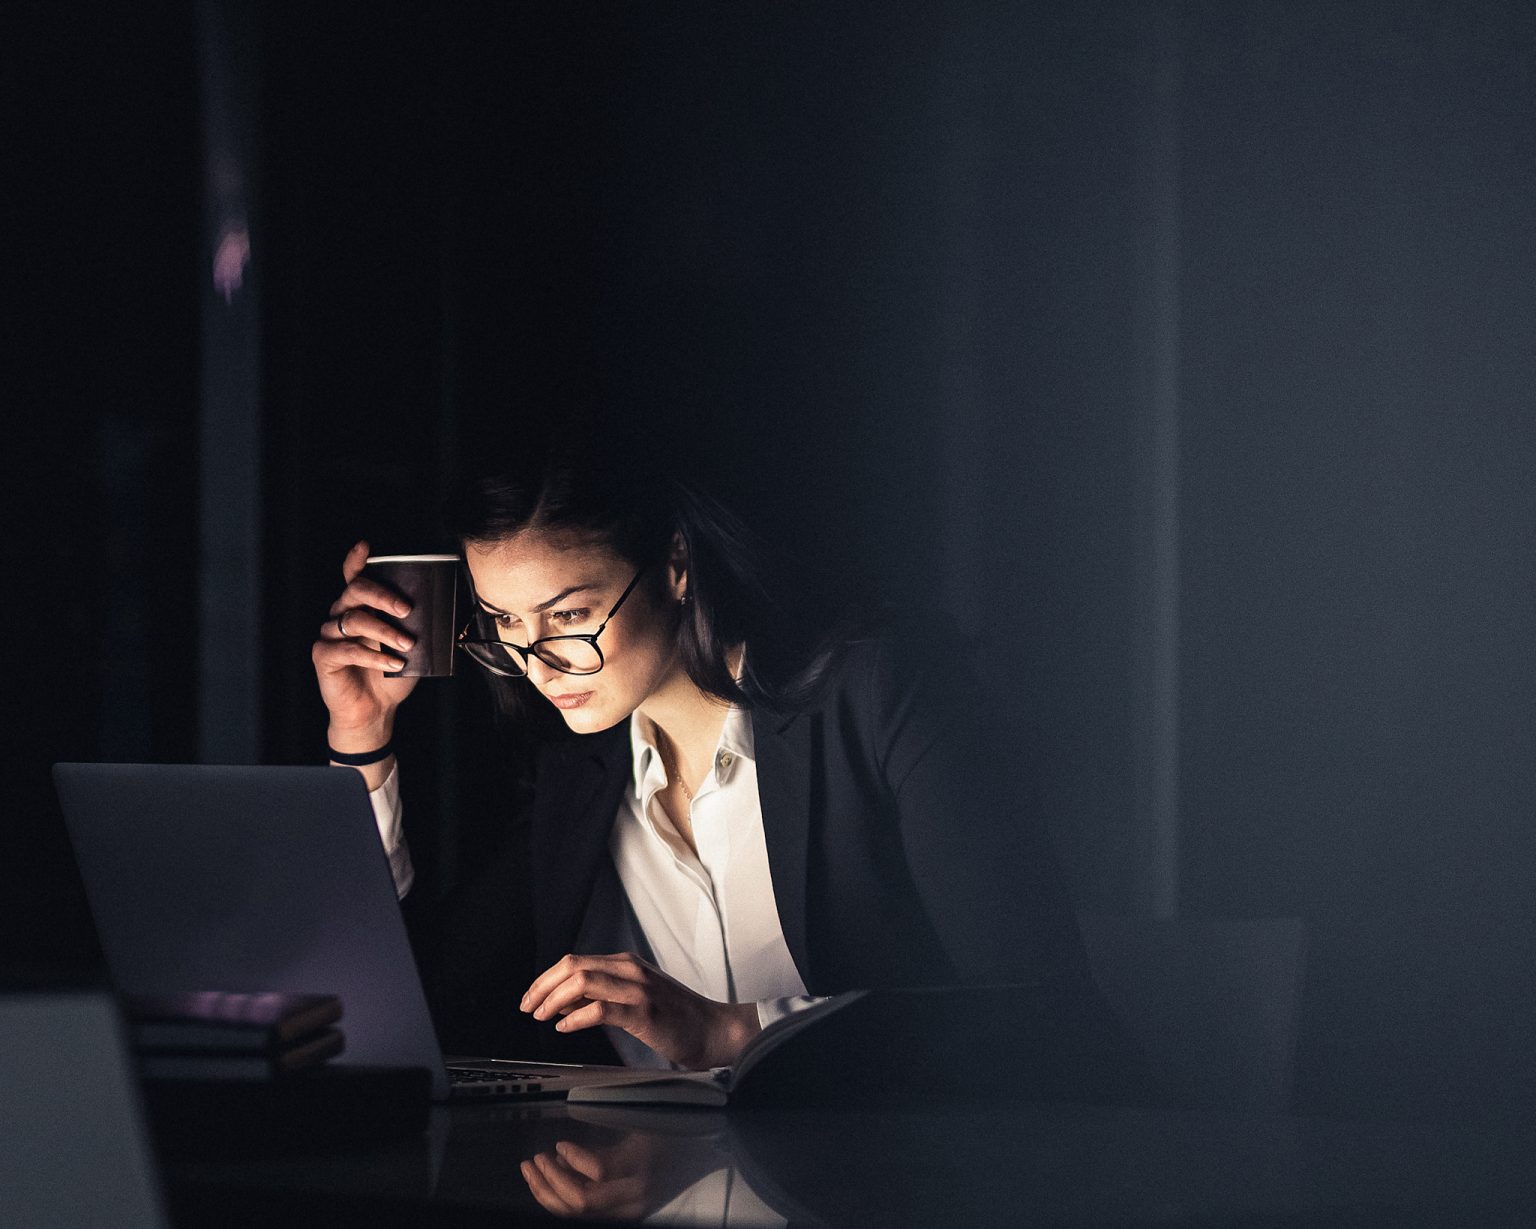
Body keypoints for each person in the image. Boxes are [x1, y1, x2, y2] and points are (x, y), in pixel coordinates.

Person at [311, 442, 1120, 1083]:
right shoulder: (579, 771)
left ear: (676, 563)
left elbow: (1043, 1016)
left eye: (571, 615)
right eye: (502, 624)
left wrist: (740, 1031)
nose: (540, 664)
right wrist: (363, 735)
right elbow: (407, 1001)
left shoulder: (880, 690)